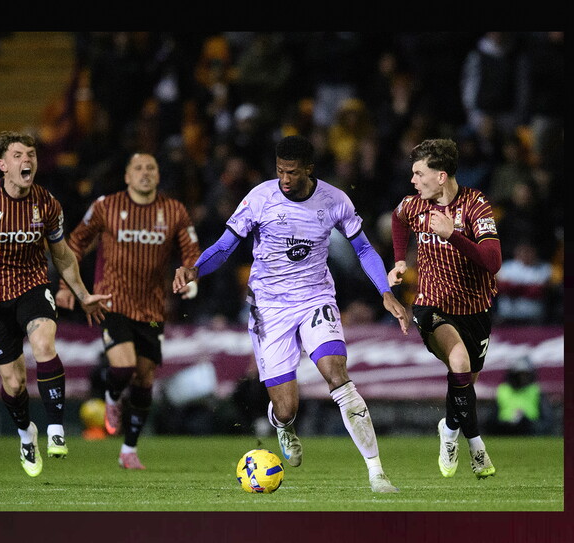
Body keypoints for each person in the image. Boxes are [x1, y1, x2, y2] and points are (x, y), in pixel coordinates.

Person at [173, 134, 409, 493]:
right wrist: (194, 269)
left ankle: (377, 473)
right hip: (269, 307)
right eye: (280, 171)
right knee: (286, 409)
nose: (285, 178)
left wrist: (386, 293)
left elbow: (363, 249)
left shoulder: (334, 200)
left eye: (293, 172)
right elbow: (225, 246)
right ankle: (281, 425)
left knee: (338, 377)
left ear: (309, 170)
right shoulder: (259, 198)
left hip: (316, 299)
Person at [0, 130, 111, 478]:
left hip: (32, 288)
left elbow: (63, 256)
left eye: (31, 155)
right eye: (19, 155)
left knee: (43, 343)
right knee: (15, 383)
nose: (27, 161)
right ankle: (26, 434)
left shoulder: (47, 204)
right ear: (3, 164)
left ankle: (55, 429)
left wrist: (82, 295)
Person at [56, 152, 201, 470]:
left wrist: (189, 272)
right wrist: (67, 287)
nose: (145, 173)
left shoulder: (173, 210)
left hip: (151, 308)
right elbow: (76, 243)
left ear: (158, 176)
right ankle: (111, 398)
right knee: (123, 367)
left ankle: (129, 450)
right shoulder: (106, 206)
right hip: (112, 301)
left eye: (151, 167)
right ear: (126, 176)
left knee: (145, 378)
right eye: (138, 168)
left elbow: (191, 250)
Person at [387, 138, 502, 480]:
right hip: (431, 306)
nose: (412, 180)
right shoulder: (414, 206)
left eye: (418, 173)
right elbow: (396, 220)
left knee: (463, 383)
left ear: (440, 176)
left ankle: (449, 428)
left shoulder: (476, 206)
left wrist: (453, 235)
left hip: (476, 310)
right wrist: (397, 259)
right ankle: (477, 447)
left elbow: (493, 262)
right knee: (459, 362)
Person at [489, 356, 542, 435]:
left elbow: (546, 420)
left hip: (530, 431)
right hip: (505, 431)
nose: (522, 378)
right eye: (519, 375)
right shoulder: (503, 390)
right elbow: (491, 419)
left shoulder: (535, 390)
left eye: (525, 375)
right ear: (514, 375)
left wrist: (531, 424)